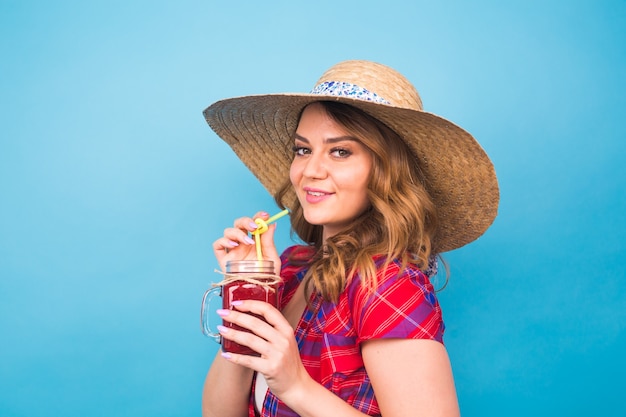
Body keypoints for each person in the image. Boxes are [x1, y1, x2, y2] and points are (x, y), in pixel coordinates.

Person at [201, 60, 499, 417]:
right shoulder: (294, 268)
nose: (311, 170)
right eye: (303, 149)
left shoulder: (389, 286)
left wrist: (296, 386)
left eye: (340, 151)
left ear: (386, 171)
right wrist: (250, 282)